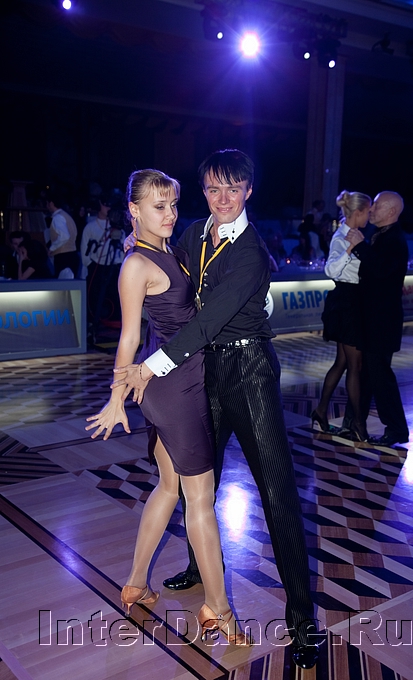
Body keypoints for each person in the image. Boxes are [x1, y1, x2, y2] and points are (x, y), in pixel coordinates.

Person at [114, 149, 321, 669]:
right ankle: (197, 569)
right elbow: (166, 278)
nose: (222, 198)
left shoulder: (252, 252)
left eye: (233, 188)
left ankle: (302, 621)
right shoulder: (192, 234)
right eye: (213, 188)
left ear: (248, 190)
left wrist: (149, 366)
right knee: (196, 481)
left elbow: (207, 320)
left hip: (248, 373)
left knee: (277, 495)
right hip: (200, 374)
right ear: (204, 191)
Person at [85, 169, 250, 646]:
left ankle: (136, 583)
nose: (171, 214)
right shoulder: (137, 264)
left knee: (168, 487)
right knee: (200, 499)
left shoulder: (168, 251)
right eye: (159, 206)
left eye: (173, 204)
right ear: (134, 210)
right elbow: (128, 338)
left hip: (176, 383)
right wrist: (116, 397)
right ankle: (219, 609)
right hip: (176, 391)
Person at [343, 191, 409, 447]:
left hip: (383, 322)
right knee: (369, 375)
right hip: (372, 319)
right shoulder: (379, 235)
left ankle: (396, 429)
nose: (371, 210)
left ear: (391, 212)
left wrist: (360, 246)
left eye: (378, 206)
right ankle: (355, 423)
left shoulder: (395, 240)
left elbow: (382, 271)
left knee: (381, 377)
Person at [311, 191, 371, 441]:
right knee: (354, 365)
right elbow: (331, 270)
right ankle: (357, 423)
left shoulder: (355, 234)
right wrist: (350, 248)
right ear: (357, 212)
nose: (369, 216)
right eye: (367, 212)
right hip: (347, 303)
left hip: (354, 301)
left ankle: (321, 411)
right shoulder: (342, 237)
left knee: (343, 362)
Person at [80, 196, 125, 326]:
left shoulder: (117, 226)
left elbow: (124, 247)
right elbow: (84, 249)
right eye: (106, 204)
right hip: (96, 267)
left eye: (110, 205)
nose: (108, 208)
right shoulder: (90, 227)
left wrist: (120, 264)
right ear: (99, 204)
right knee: (95, 298)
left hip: (114, 267)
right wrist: (89, 264)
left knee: (114, 298)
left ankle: (114, 324)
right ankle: (94, 324)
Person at [46, 194, 79, 278]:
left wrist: (52, 248)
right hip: (72, 254)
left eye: (47, 203)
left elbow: (64, 236)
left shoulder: (58, 218)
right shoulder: (67, 216)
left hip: (63, 257)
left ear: (51, 203)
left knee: (63, 284)